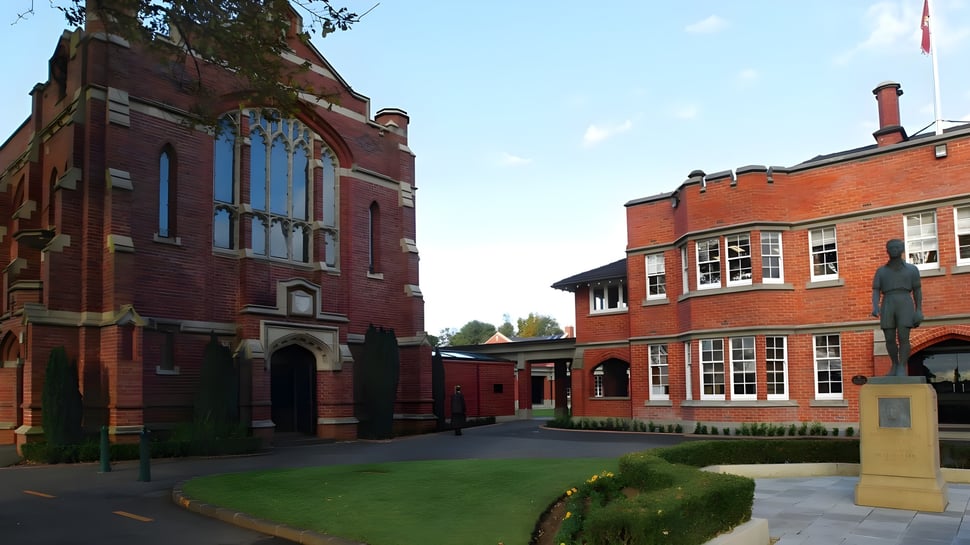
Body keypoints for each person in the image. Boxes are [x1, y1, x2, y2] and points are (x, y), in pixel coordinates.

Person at [871, 239, 924, 377]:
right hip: (888, 301)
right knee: (889, 337)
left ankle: (901, 366)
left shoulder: (912, 270)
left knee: (903, 336)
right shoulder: (881, 271)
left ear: (902, 250)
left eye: (896, 247)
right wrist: (875, 306)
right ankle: (894, 364)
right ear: (887, 251)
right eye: (891, 248)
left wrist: (919, 310)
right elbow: (876, 290)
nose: (894, 249)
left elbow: (917, 290)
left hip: (904, 301)